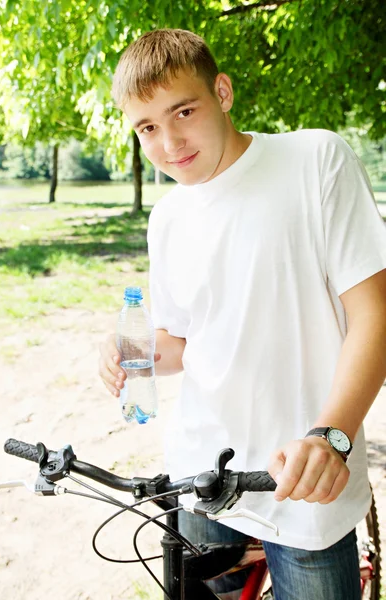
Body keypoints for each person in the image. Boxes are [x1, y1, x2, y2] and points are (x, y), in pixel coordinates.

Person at [99, 28, 386, 599]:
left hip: (303, 482)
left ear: (222, 92)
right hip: (201, 479)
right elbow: (181, 342)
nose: (169, 142)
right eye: (147, 127)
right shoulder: (168, 219)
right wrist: (133, 354)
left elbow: (374, 315)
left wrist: (333, 436)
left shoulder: (315, 160)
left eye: (184, 110)